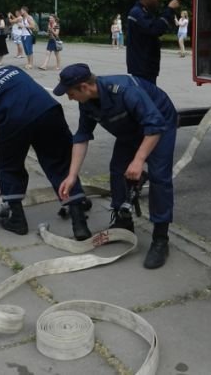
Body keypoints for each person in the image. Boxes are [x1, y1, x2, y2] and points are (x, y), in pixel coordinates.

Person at [54, 63, 178, 269]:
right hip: (131, 127)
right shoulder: (87, 102)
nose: (69, 97)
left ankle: (160, 239)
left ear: (84, 87)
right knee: (117, 170)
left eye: (70, 93)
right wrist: (72, 176)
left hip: (159, 123)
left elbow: (154, 126)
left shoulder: (125, 92)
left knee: (159, 176)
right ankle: (123, 220)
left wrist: (138, 160)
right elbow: (82, 137)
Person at [0, 61, 91, 240]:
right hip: (49, 111)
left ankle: (17, 220)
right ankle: (79, 221)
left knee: (9, 167)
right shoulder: (11, 69)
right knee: (60, 163)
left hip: (14, 122)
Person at [126, 0, 182, 85]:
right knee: (145, 97)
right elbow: (155, 29)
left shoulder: (143, 12)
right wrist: (169, 10)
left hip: (146, 66)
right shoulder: (137, 13)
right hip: (142, 67)